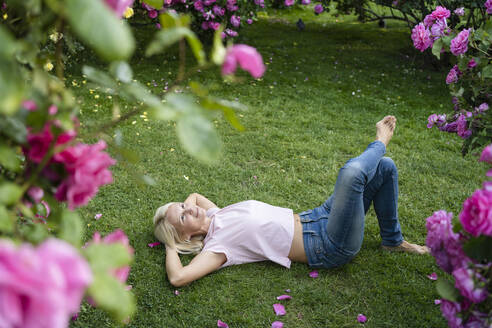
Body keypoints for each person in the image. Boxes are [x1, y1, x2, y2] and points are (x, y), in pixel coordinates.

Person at [153, 116, 429, 287]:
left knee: (385, 168)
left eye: (182, 205)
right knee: (352, 173)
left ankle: (392, 241)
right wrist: (172, 244)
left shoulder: (215, 215)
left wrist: (177, 212)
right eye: (184, 217)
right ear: (186, 237)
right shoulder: (217, 247)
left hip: (319, 216)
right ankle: (380, 141)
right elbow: (178, 277)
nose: (189, 207)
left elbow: (195, 197)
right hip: (329, 245)